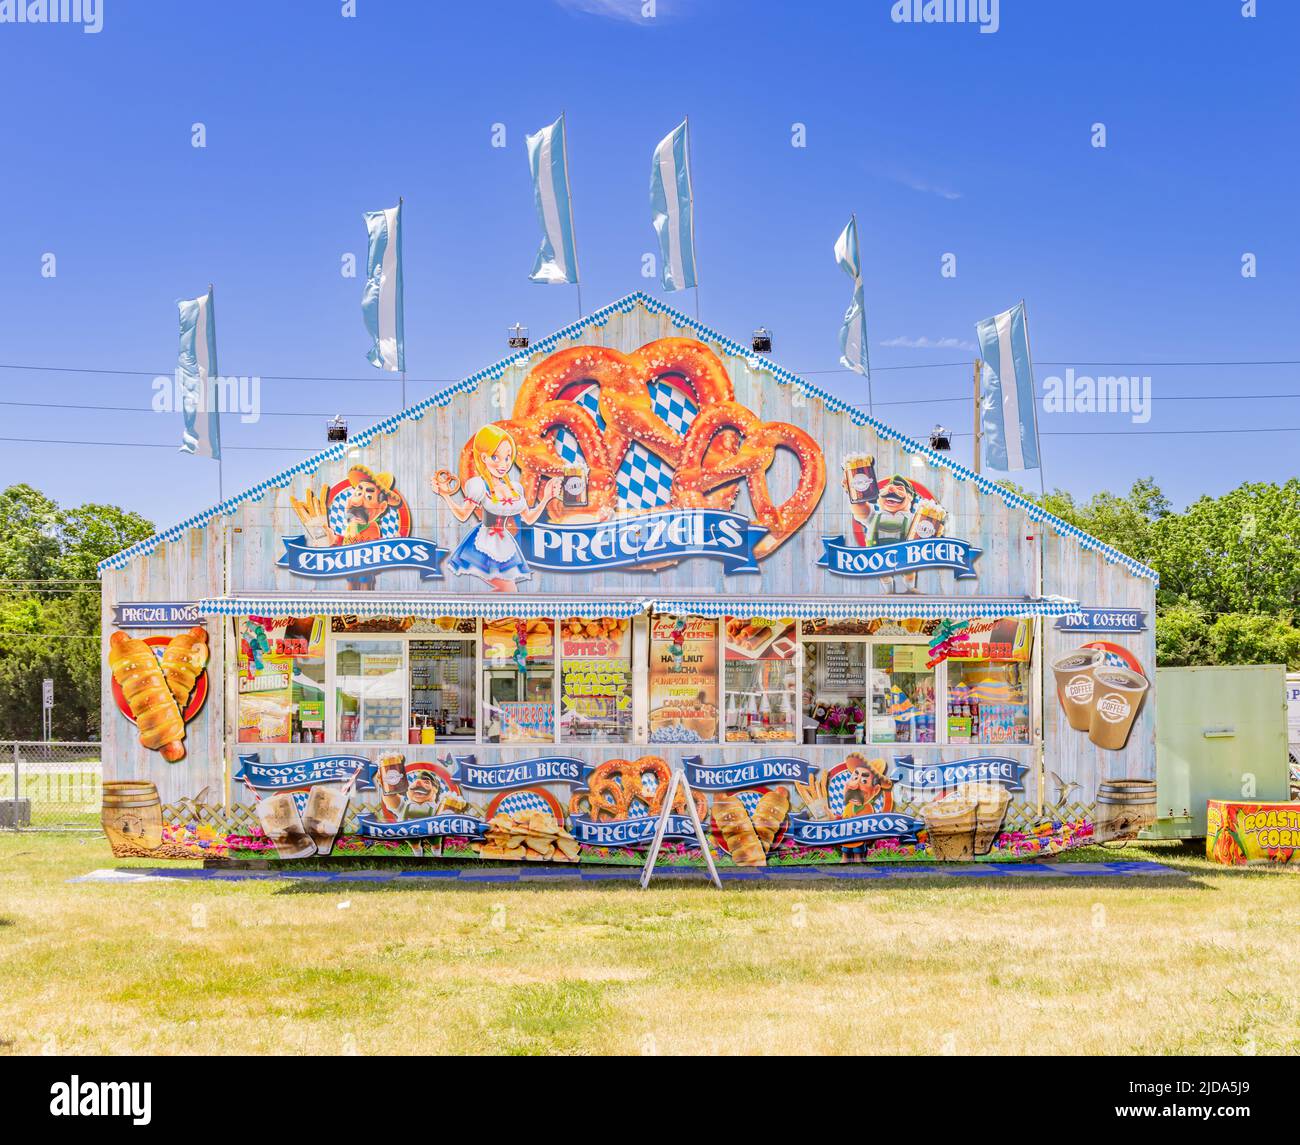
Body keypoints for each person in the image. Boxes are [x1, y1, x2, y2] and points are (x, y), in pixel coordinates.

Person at [432, 425, 561, 592]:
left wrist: (546, 499)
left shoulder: (514, 488)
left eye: (507, 458)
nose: (503, 464)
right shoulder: (479, 485)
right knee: (509, 590)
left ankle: (482, 616)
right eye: (495, 457)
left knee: (509, 591)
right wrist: (445, 495)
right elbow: (463, 515)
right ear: (484, 457)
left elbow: (528, 518)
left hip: (504, 541)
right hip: (483, 542)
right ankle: (478, 614)